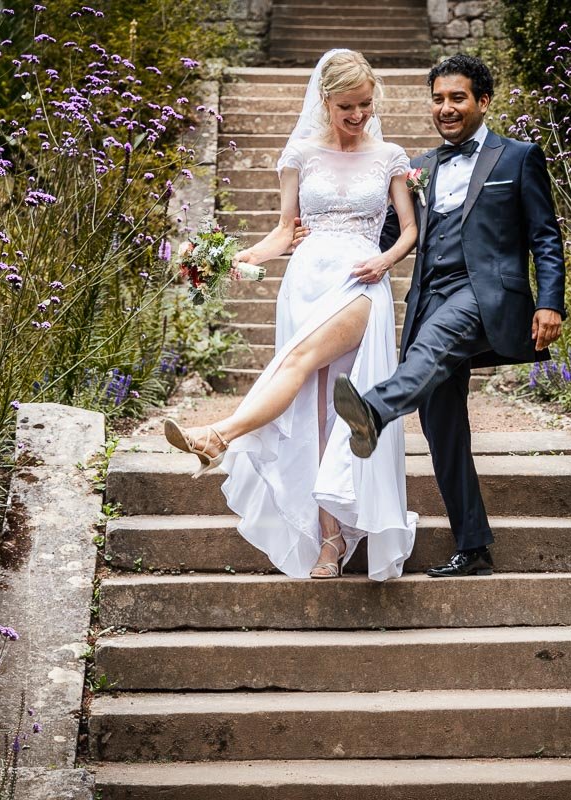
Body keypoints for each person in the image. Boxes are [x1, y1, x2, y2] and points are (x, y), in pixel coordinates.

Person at [163, 49, 419, 581]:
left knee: (298, 361)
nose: (358, 116)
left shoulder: (391, 155)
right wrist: (239, 256)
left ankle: (219, 435)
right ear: (324, 100)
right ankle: (329, 545)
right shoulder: (299, 154)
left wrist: (385, 258)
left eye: (365, 105)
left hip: (359, 281)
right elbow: (285, 230)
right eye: (347, 106)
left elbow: (410, 229)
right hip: (305, 280)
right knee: (318, 412)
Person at [327, 53, 567, 577]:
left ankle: (372, 409)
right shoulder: (423, 167)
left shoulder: (518, 157)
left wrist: (551, 301)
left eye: (457, 97)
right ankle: (474, 546)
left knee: (436, 346)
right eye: (438, 98)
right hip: (429, 297)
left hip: (485, 296)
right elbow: (390, 236)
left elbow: (546, 236)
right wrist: (325, 247)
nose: (446, 108)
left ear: (483, 101)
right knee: (442, 426)